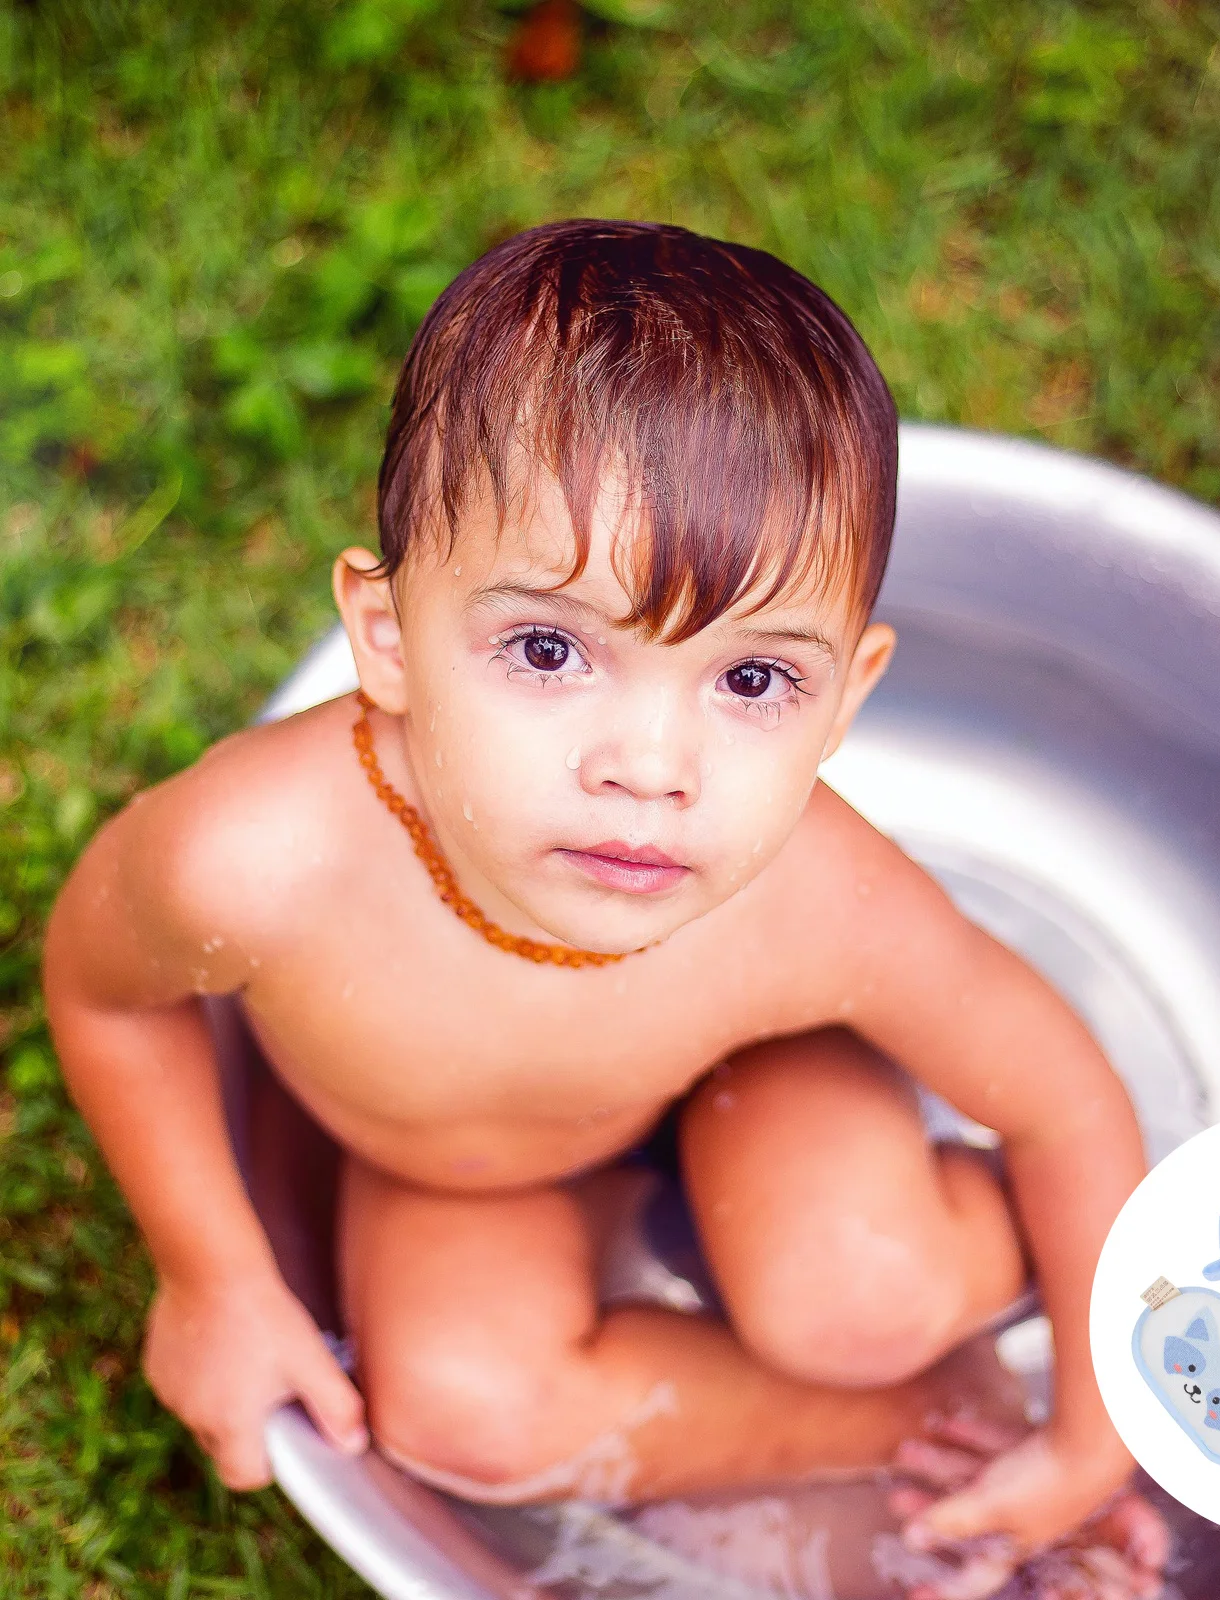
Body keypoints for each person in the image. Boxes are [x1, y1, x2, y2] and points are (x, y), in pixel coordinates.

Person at [42, 221, 1159, 1598]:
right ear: (387, 641)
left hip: (760, 1087)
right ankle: (936, 1431)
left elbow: (1060, 1099)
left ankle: (976, 1278)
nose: (649, 769)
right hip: (469, 1174)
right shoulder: (259, 862)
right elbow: (106, 992)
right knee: (461, 1414)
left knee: (862, 1295)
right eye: (550, 648)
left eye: (753, 682)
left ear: (848, 698)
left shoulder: (816, 899)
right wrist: (213, 1273)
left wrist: (1102, 1428)